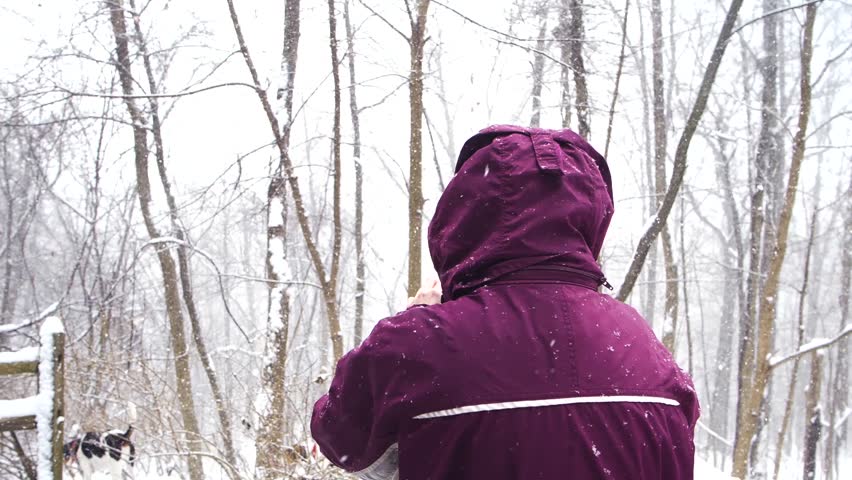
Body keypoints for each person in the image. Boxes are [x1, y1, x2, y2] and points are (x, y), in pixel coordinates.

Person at [311, 125, 699, 479]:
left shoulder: (417, 345)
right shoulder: (649, 355)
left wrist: (417, 320)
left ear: (462, 217)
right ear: (589, 221)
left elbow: (339, 439)